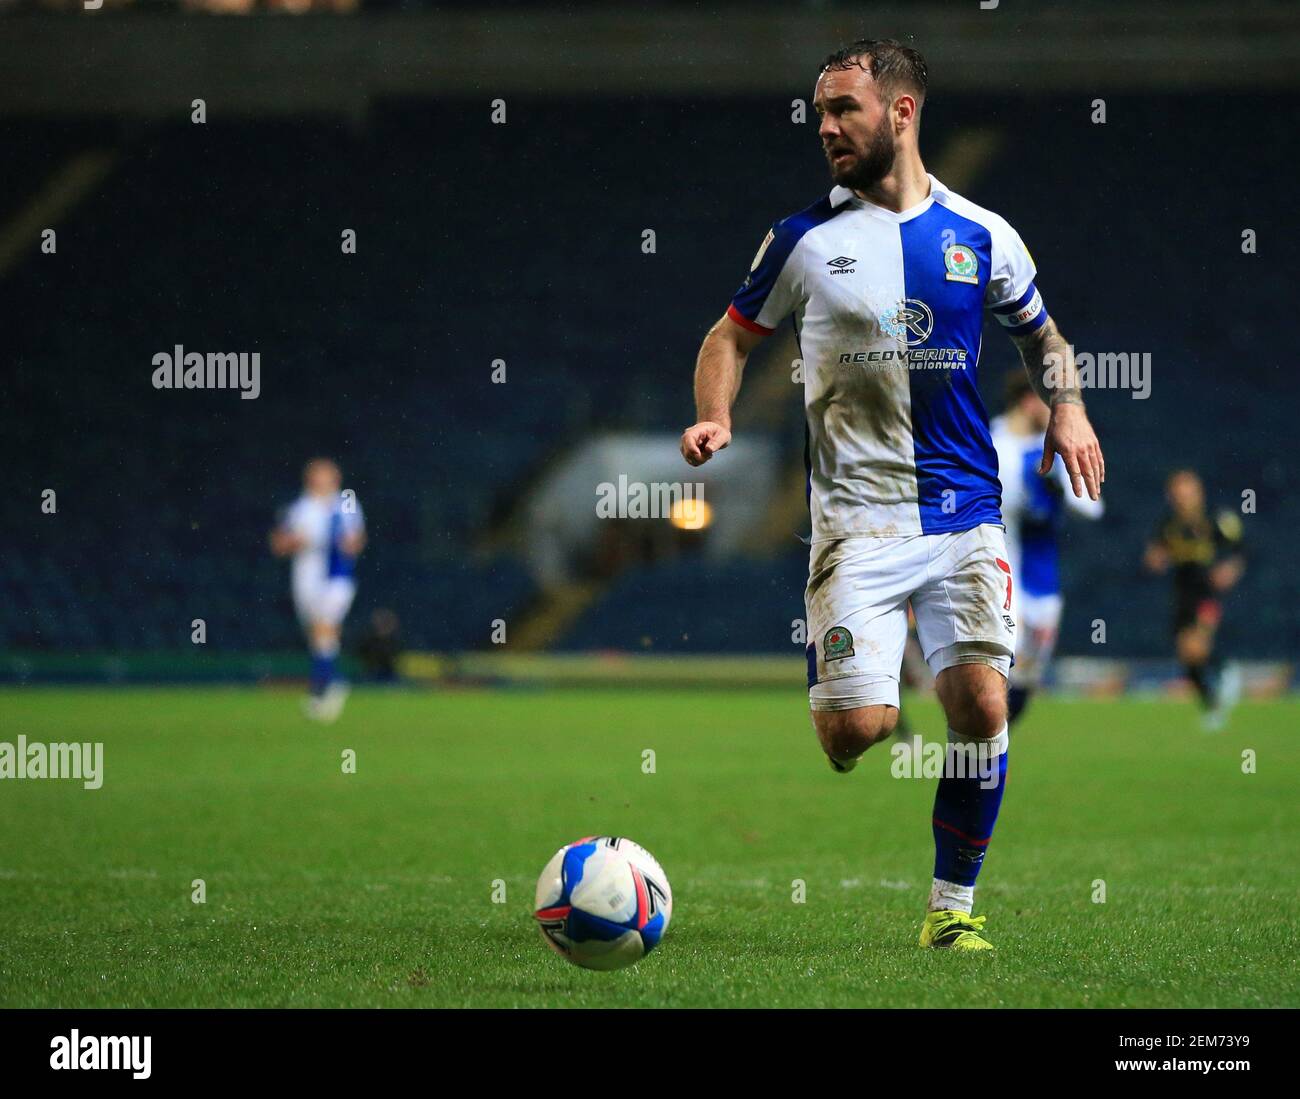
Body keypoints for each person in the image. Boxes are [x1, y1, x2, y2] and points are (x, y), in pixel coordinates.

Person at [680, 39, 1104, 950]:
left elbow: (1046, 338)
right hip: (854, 524)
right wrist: (714, 415)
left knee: (982, 704)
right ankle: (855, 690)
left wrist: (1067, 410)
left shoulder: (984, 233)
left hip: (963, 509)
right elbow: (728, 337)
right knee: (857, 730)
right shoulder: (803, 240)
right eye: (820, 113)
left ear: (901, 114)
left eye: (844, 110)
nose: (826, 127)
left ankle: (950, 915)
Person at [992, 374, 1104, 726]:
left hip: (1043, 578)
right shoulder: (990, 441)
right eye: (1050, 402)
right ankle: (981, 747)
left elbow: (1093, 505)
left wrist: (1060, 484)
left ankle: (995, 743)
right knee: (999, 668)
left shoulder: (1056, 444)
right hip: (1001, 572)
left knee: (1027, 676)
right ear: (1029, 400)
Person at [1144, 470, 1244, 730]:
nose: (1182, 498)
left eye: (1186, 491)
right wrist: (1155, 559)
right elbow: (1155, 554)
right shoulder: (1168, 525)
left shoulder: (1217, 520)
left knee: (1195, 645)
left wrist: (1230, 569)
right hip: (1181, 596)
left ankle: (1226, 671)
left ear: (1198, 493)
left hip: (1206, 596)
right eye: (1177, 493)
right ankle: (1214, 705)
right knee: (1186, 656)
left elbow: (1241, 549)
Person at [270, 458, 367, 721]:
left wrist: (344, 543)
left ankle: (326, 687)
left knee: (324, 626)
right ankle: (326, 684)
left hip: (337, 579)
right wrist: (294, 541)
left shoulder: (346, 503)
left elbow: (356, 540)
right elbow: (278, 544)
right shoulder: (300, 507)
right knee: (319, 636)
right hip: (305, 578)